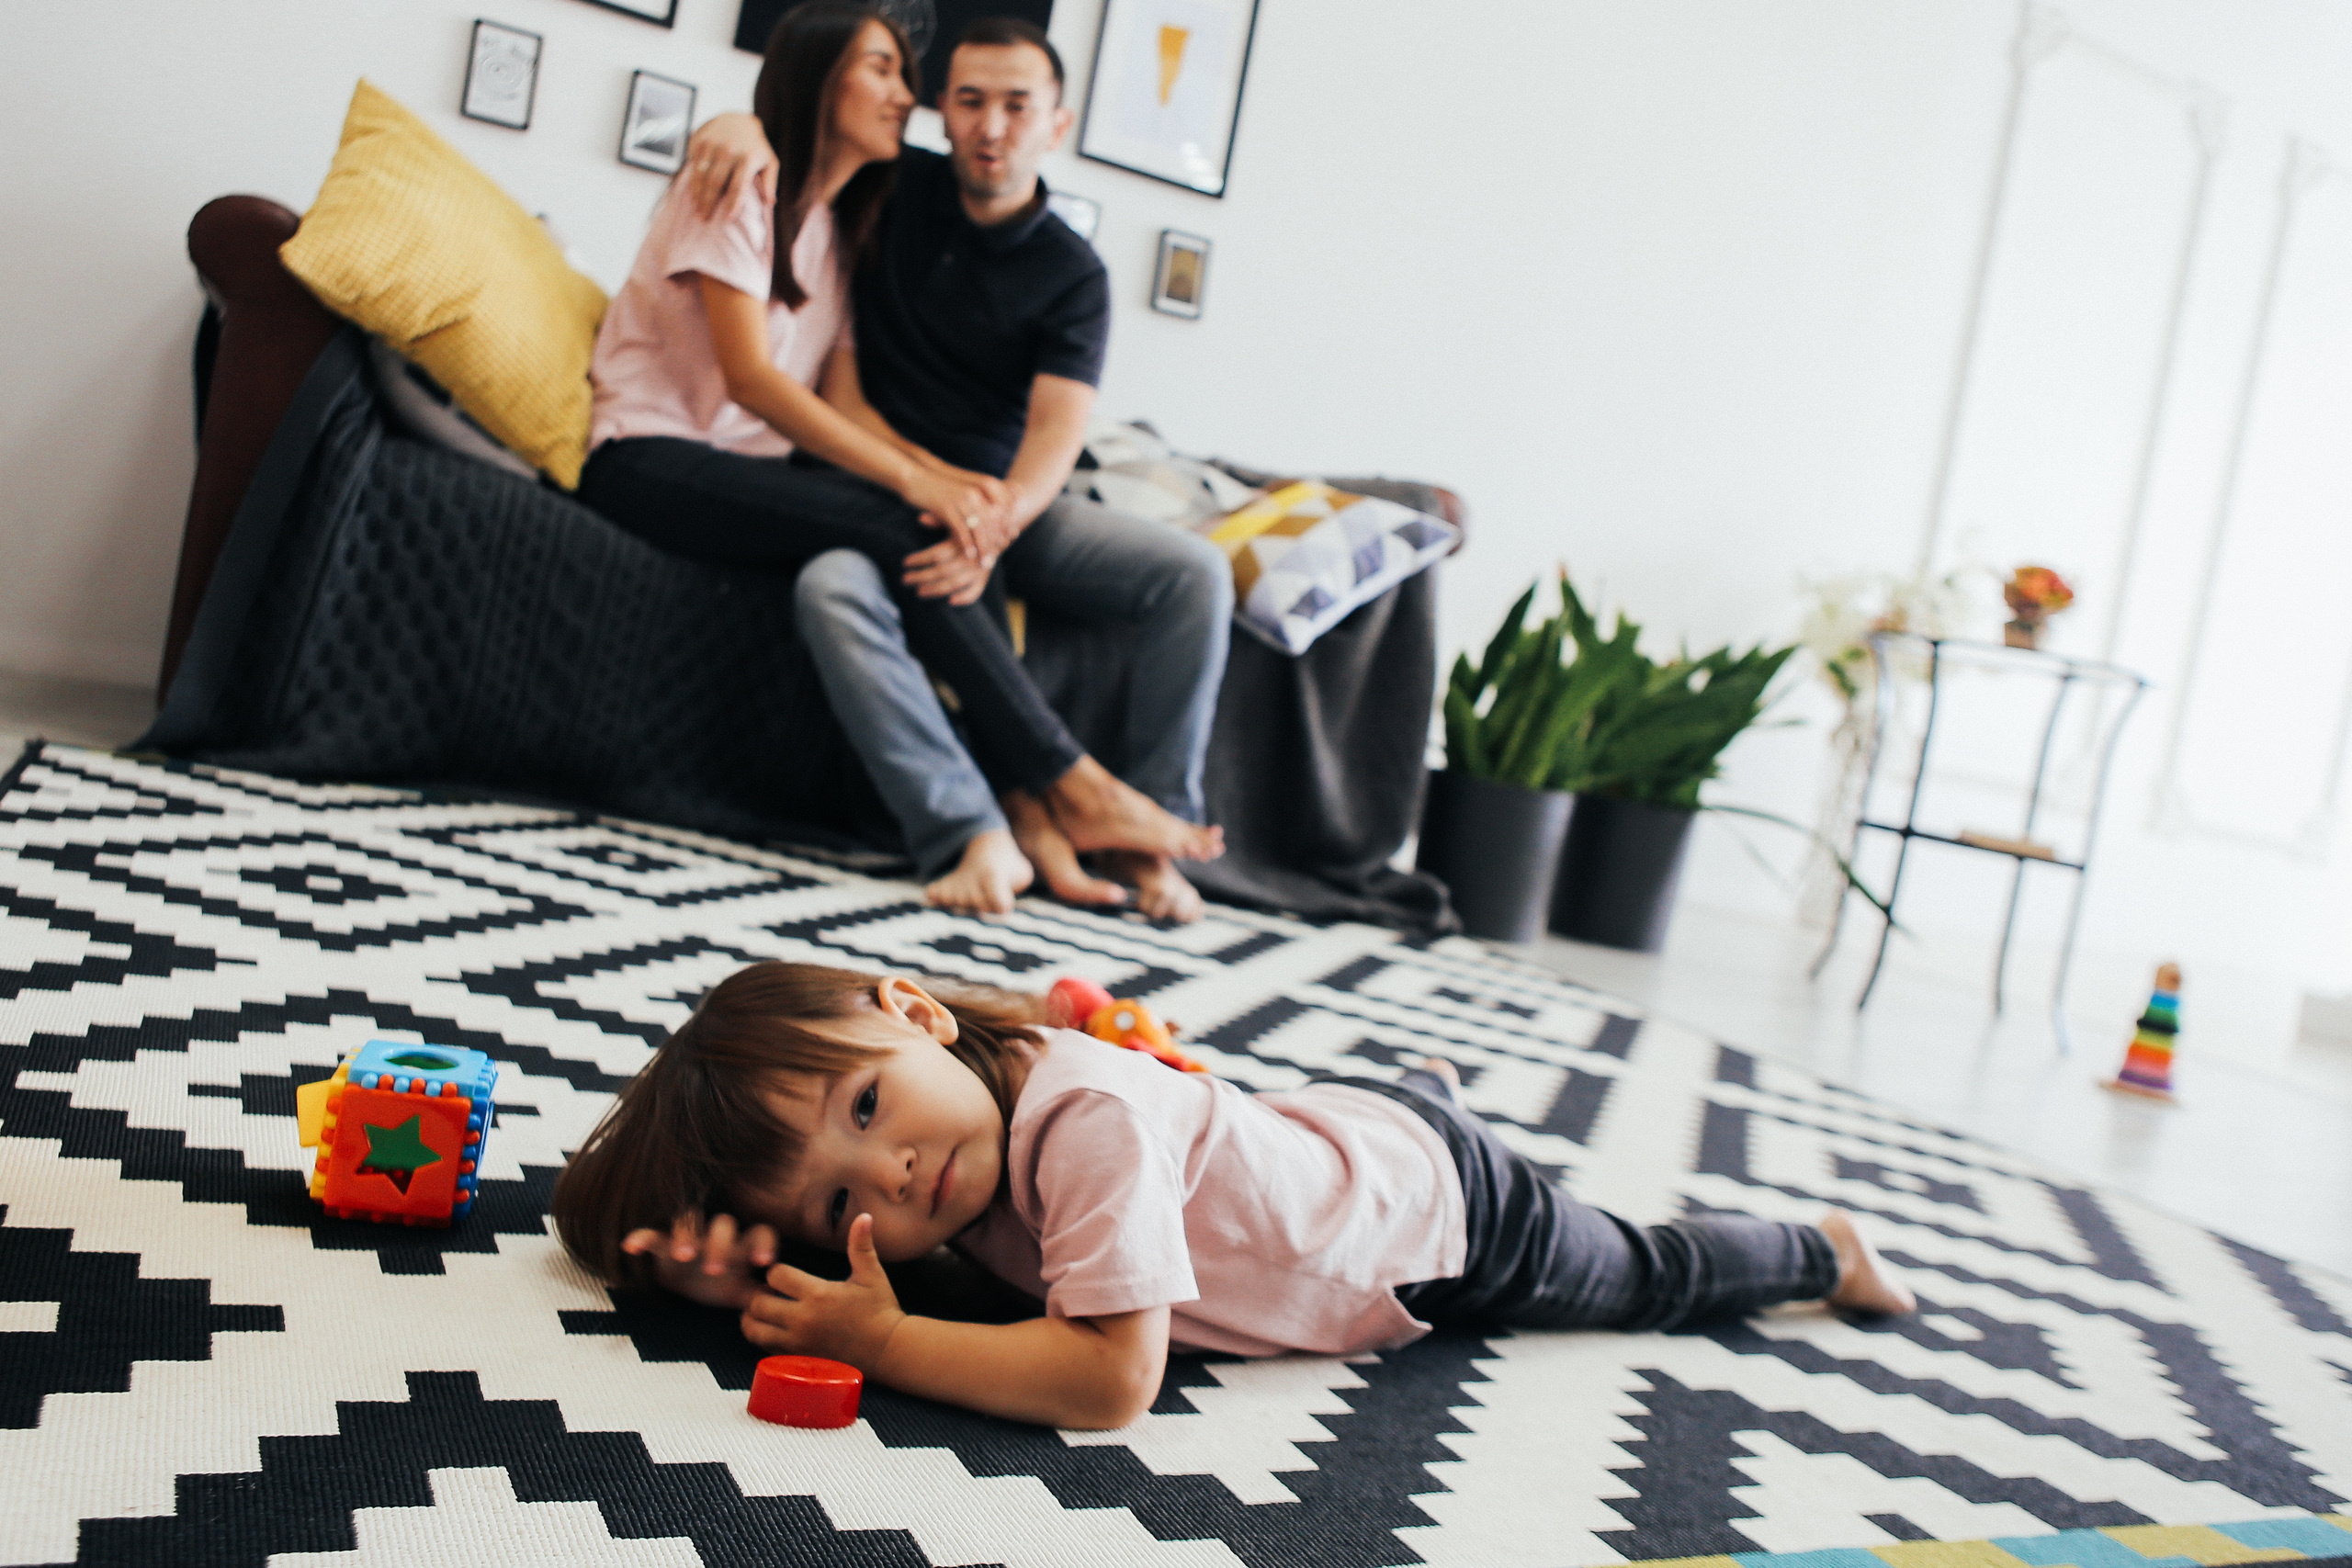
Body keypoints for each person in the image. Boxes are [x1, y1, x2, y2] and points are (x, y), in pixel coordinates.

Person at [549, 961, 1918, 1431]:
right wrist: (722, 1263)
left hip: (1442, 1226)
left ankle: (1818, 1241)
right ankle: (1418, 1085)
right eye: (842, 1196)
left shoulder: (1076, 1115)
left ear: (915, 1009)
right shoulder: (956, 1145)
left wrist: (885, 1340)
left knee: (1645, 1274)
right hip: (1331, 1146)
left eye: (868, 1108)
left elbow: (1106, 1379)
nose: (894, 1175)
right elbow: (853, 1260)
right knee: (1319, 1126)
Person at [578, 3, 1221, 919]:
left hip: (989, 495)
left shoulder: (993, 253)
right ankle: (1031, 800)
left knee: (1189, 573)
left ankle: (1134, 834)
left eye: (1014, 105)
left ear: (1058, 122)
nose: (978, 124)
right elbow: (761, 371)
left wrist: (981, 509)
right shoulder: (851, 188)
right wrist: (734, 124)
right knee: (858, 564)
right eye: (957, 97)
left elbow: (1032, 434)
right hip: (771, 467)